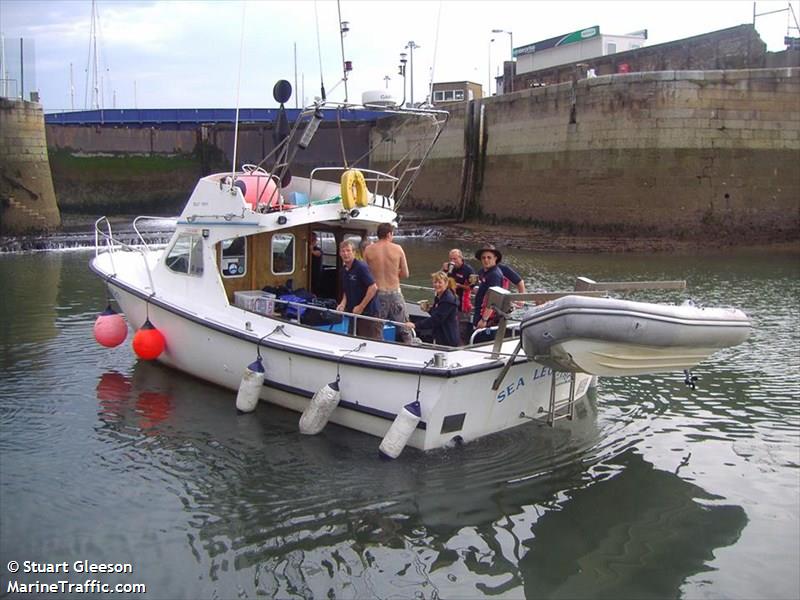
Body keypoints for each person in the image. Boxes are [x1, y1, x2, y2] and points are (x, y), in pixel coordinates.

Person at [363, 222, 412, 343]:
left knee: (377, 330)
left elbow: (365, 275)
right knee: (405, 328)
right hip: (395, 293)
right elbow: (406, 274)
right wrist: (394, 274)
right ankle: (411, 348)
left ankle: (377, 353)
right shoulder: (398, 249)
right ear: (389, 234)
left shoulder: (368, 250)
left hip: (378, 295)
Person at [336, 240, 382, 340]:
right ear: (340, 253)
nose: (345, 254)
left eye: (348, 251)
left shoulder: (361, 267)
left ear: (354, 253)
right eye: (343, 251)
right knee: (352, 339)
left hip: (368, 313)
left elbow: (373, 287)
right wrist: (343, 303)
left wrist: (361, 307)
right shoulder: (343, 270)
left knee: (372, 342)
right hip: (354, 313)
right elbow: (346, 289)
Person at [405, 271, 460, 347]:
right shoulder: (439, 296)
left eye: (440, 282)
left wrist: (415, 325)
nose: (437, 285)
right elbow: (437, 313)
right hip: (440, 335)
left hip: (448, 337)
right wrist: (429, 309)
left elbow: (436, 319)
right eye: (435, 282)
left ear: (446, 283)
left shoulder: (448, 300)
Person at [472, 244, 505, 331]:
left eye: (489, 257)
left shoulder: (495, 275)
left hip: (488, 319)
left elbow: (494, 299)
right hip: (479, 312)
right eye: (483, 258)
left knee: (482, 341)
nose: (486, 260)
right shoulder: (484, 272)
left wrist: (484, 319)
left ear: (495, 258)